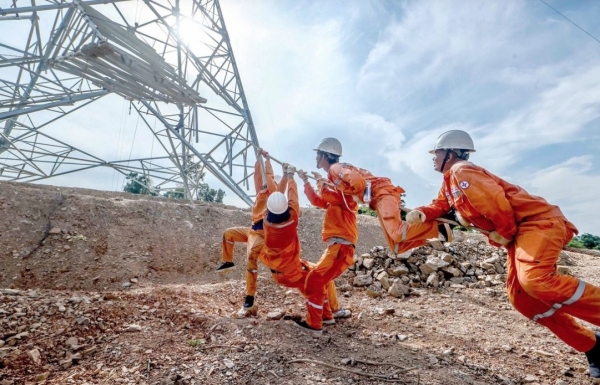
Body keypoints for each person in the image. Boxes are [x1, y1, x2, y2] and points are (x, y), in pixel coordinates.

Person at [405, 129, 600, 380]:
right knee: (523, 299)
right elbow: (441, 206)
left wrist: (505, 233)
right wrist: (422, 212)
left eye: (437, 152)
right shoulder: (449, 181)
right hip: (519, 232)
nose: (433, 157)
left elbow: (495, 203)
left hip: (538, 223)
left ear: (450, 154)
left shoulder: (462, 171)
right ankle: (593, 346)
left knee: (536, 279)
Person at [309, 137, 448, 254]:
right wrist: (324, 184)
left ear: (324, 155)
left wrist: (355, 193)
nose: (315, 157)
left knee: (397, 232)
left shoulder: (335, 168)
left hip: (383, 194)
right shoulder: (334, 174)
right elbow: (343, 192)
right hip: (379, 198)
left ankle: (438, 227)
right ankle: (433, 237)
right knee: (397, 246)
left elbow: (357, 183)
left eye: (317, 154)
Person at [259, 164, 338, 336]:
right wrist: (291, 176)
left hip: (278, 273)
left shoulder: (265, 221)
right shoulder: (292, 218)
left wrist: (287, 176)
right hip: (291, 272)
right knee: (316, 282)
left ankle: (327, 316)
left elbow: (277, 198)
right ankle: (315, 324)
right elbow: (293, 197)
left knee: (313, 272)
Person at [216, 148, 285, 318]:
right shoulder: (261, 192)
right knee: (228, 234)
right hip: (252, 230)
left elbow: (269, 180)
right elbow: (258, 177)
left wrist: (267, 161)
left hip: (263, 233)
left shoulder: (274, 195)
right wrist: (258, 160)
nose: (264, 185)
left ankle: (250, 296)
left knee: (251, 258)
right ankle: (227, 261)